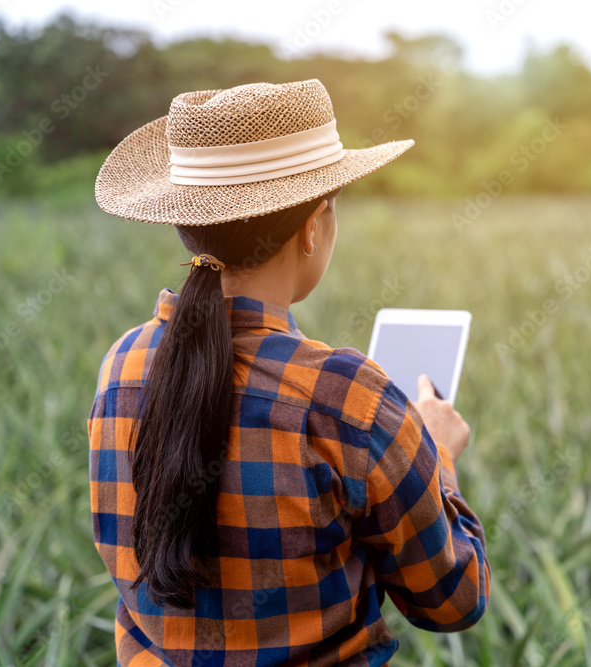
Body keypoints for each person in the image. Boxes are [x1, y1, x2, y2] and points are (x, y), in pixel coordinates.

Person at [89, 79, 489, 666]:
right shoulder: (346, 397)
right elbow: (452, 601)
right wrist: (439, 458)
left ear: (186, 223)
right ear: (312, 227)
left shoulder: (122, 365)